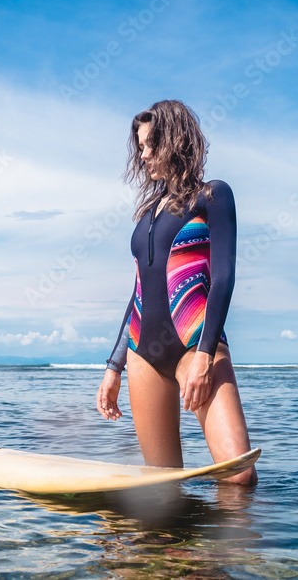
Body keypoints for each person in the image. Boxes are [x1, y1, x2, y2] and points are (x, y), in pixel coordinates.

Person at [95, 99, 257, 486]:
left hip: (193, 344)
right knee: (163, 485)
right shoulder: (146, 215)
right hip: (142, 355)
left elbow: (223, 277)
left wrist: (204, 355)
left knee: (239, 476)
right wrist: (113, 367)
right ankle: (169, 548)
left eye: (151, 144)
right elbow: (138, 292)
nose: (145, 155)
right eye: (141, 147)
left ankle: (233, 548)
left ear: (175, 140)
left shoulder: (211, 196)